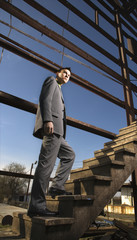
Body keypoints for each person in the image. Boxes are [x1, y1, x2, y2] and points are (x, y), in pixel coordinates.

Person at [27, 67, 75, 217]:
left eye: (69, 75)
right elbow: (44, 99)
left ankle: (57, 186)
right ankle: (37, 206)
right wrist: (47, 119)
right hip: (52, 129)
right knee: (45, 166)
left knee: (70, 155)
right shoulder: (51, 81)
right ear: (58, 73)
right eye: (65, 73)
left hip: (59, 134)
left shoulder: (59, 89)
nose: (67, 76)